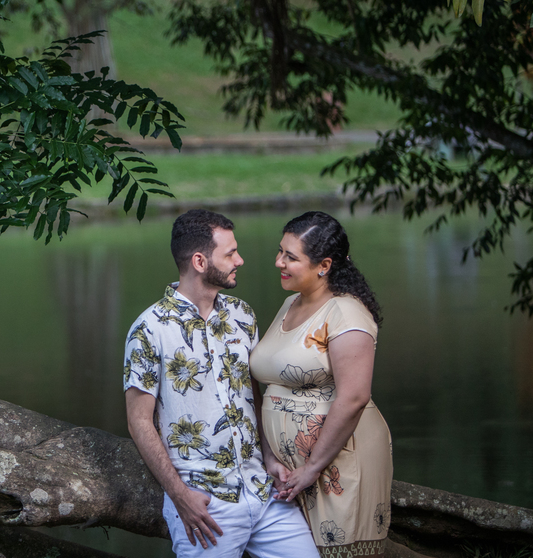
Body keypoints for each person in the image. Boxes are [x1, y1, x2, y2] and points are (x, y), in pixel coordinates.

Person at [123, 209, 318, 558]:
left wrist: (270, 457)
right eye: (230, 254)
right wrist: (180, 496)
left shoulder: (242, 315)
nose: (239, 260)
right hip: (206, 505)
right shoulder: (149, 329)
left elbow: (254, 395)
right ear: (200, 262)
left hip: (264, 492)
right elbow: (139, 421)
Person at [250, 211, 393, 556]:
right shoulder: (291, 303)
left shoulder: (346, 313)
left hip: (337, 463)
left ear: (324, 265)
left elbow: (354, 397)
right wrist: (269, 455)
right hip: (288, 471)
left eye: (290, 256)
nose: (278, 262)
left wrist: (312, 468)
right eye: (280, 251)